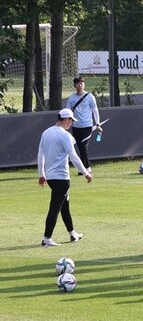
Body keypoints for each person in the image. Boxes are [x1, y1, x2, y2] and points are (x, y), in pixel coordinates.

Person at [37, 108, 93, 247]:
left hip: (50, 177)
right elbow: (74, 157)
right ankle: (46, 238)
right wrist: (86, 172)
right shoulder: (65, 135)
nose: (71, 124)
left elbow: (40, 155)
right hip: (61, 177)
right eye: (71, 121)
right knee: (55, 207)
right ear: (66, 119)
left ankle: (72, 233)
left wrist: (41, 174)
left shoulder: (46, 132)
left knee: (64, 205)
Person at [64, 77, 102, 173]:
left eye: (81, 83)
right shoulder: (71, 98)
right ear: (74, 85)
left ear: (84, 84)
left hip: (87, 126)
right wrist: (66, 125)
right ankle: (85, 167)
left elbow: (95, 110)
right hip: (76, 127)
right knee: (80, 147)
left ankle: (85, 168)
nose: (80, 85)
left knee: (83, 146)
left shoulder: (90, 97)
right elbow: (68, 112)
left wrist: (97, 124)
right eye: (78, 83)